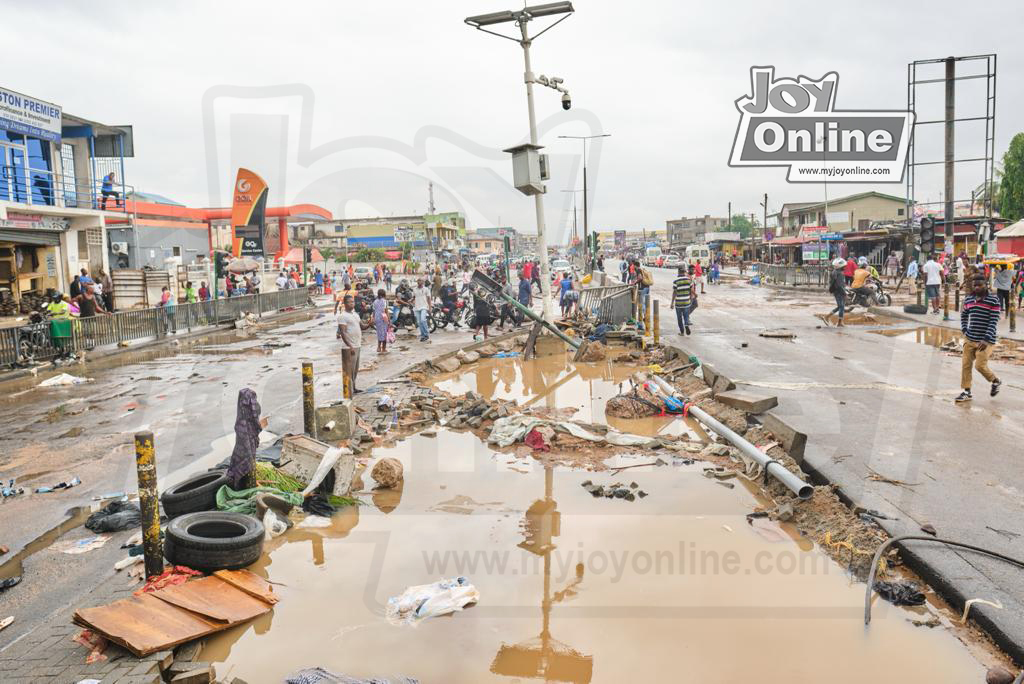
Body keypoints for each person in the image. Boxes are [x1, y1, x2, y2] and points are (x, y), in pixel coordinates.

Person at [956, 275, 1002, 403]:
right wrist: (965, 330)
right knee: (966, 365)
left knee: (980, 366)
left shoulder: (993, 300)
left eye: (979, 285)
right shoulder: (969, 299)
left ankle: (996, 381)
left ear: (986, 285)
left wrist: (986, 339)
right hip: (970, 338)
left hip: (986, 341)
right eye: (974, 285)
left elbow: (994, 321)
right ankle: (966, 392)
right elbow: (964, 315)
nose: (976, 287)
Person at [225, 388, 267, 489]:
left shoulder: (242, 413)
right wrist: (260, 425)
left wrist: (260, 426)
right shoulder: (247, 411)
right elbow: (253, 427)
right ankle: (247, 486)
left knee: (246, 463)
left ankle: (244, 483)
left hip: (246, 444)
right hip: (246, 446)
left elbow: (254, 425)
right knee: (247, 465)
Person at [336, 294, 362, 395]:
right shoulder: (342, 316)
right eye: (350, 302)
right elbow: (343, 333)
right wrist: (350, 346)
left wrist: (370, 323)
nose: (352, 303)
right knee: (349, 370)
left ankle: (354, 388)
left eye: (353, 302)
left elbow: (362, 326)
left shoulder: (355, 314)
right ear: (345, 304)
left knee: (355, 369)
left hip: (357, 345)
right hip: (349, 347)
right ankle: (349, 390)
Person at [671, 266, 694, 335]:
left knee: (679, 318)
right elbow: (691, 290)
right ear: (684, 272)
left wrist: (672, 303)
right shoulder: (689, 280)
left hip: (678, 303)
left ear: (678, 272)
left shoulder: (676, 281)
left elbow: (674, 292)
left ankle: (682, 332)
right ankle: (686, 325)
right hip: (686, 301)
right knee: (686, 316)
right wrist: (691, 298)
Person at [827, 258, 848, 326]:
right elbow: (839, 285)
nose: (845, 267)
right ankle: (828, 317)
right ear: (840, 266)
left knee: (841, 306)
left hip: (836, 291)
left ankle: (839, 322)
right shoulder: (839, 274)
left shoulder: (834, 272)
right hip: (839, 292)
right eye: (844, 266)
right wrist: (844, 293)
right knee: (841, 306)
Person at [413, 277, 432, 343]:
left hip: (424, 306)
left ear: (423, 282)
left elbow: (429, 299)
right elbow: (414, 297)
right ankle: (423, 335)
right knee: (419, 322)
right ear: (417, 282)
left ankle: (426, 334)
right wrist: (411, 301)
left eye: (421, 281)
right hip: (417, 307)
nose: (419, 282)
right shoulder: (414, 289)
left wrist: (430, 308)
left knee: (423, 320)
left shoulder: (426, 289)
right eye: (418, 281)